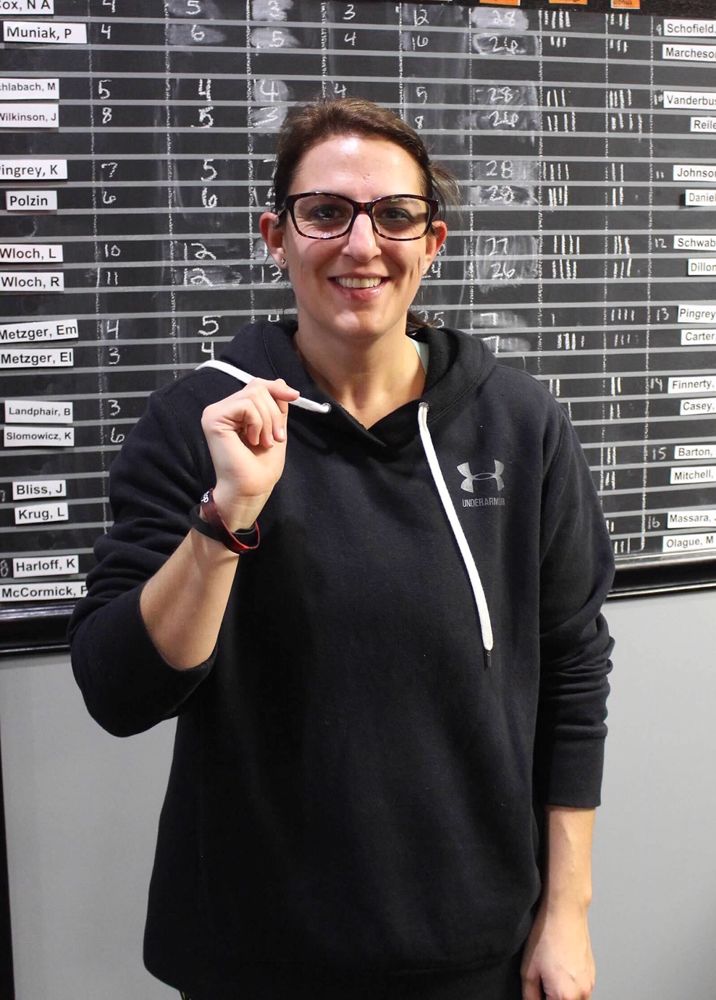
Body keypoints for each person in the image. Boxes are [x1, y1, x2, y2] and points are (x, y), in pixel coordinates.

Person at [69, 97, 614, 1000]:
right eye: (325, 212)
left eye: (394, 215)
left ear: (432, 242)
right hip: (254, 956)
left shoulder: (522, 423)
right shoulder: (198, 421)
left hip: (471, 945)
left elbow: (572, 669)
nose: (362, 245)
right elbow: (119, 691)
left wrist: (568, 911)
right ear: (276, 237)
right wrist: (225, 519)